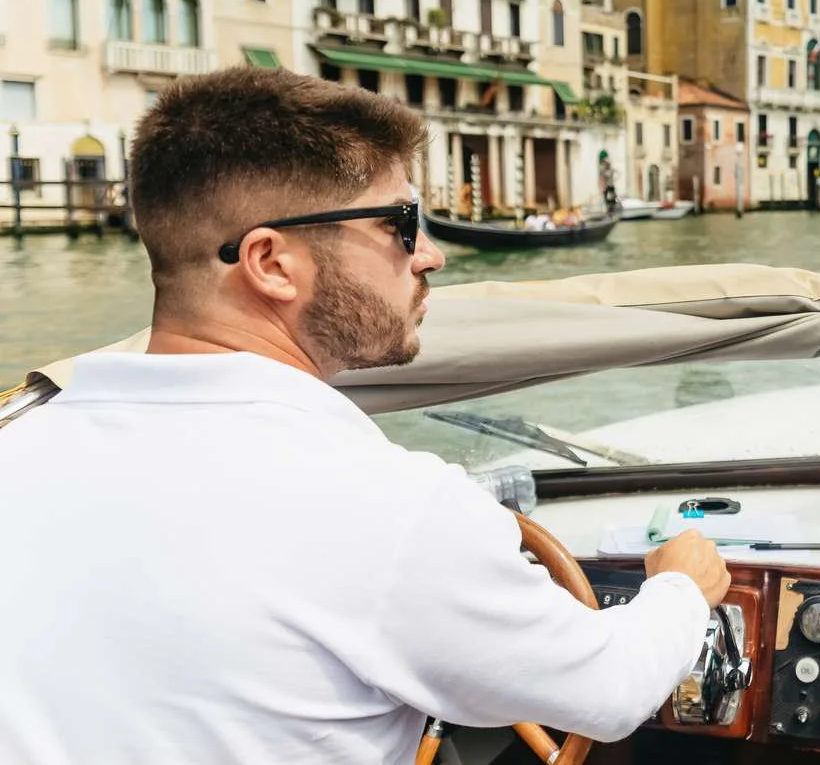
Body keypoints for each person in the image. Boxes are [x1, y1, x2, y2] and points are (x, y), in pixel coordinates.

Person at [0, 67, 730, 764]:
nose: (433, 255)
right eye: (401, 224)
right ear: (271, 262)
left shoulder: (20, 442)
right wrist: (681, 586)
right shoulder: (388, 507)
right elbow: (608, 691)